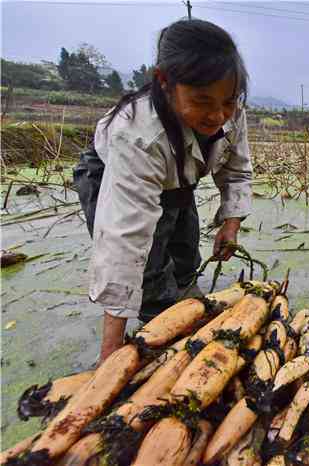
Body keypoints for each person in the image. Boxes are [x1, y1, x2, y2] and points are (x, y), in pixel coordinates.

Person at [73, 19, 252, 362]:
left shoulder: (230, 110)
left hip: (179, 181)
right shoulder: (137, 134)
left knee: (185, 257)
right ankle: (158, 326)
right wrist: (111, 352)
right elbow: (124, 243)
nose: (217, 115)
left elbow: (236, 168)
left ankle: (185, 300)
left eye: (227, 101)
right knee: (150, 273)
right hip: (112, 174)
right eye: (202, 101)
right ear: (165, 82)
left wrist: (231, 224)